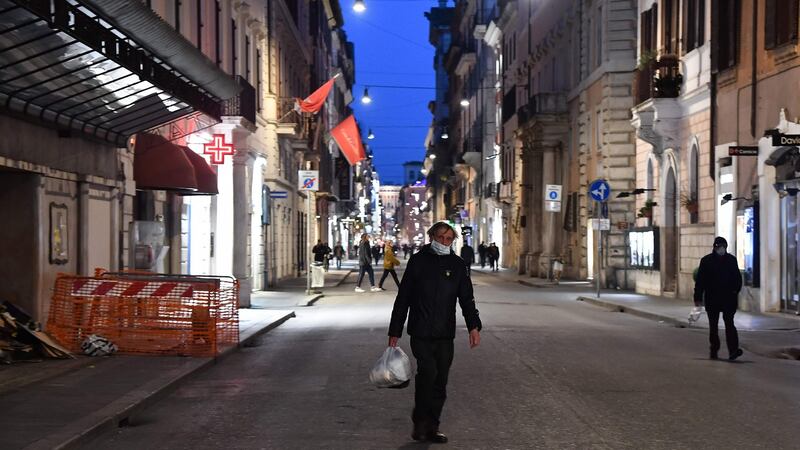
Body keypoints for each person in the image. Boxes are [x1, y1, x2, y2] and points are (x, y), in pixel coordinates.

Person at [388, 221, 482, 444]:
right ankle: (420, 423)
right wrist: (395, 331)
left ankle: (432, 426)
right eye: (440, 237)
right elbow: (404, 299)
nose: (444, 242)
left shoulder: (458, 265)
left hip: (445, 334)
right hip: (420, 332)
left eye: (449, 238)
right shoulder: (418, 262)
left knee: (441, 381)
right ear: (432, 237)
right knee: (427, 374)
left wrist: (473, 326)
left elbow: (467, 299)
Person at [693, 236, 744, 361]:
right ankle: (714, 349)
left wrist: (734, 292)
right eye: (719, 247)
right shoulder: (706, 261)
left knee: (729, 324)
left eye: (723, 247)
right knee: (713, 326)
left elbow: (737, 279)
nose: (721, 249)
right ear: (715, 247)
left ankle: (733, 350)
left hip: (728, 298)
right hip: (712, 298)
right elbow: (700, 281)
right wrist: (698, 297)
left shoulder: (731, 260)